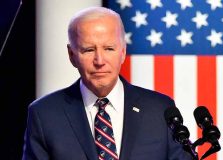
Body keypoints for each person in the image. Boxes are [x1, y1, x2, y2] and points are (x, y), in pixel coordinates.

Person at [22, 7, 192, 160]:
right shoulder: (44, 114)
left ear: (123, 52)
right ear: (72, 55)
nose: (99, 61)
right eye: (89, 50)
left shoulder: (160, 110)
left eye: (109, 49)